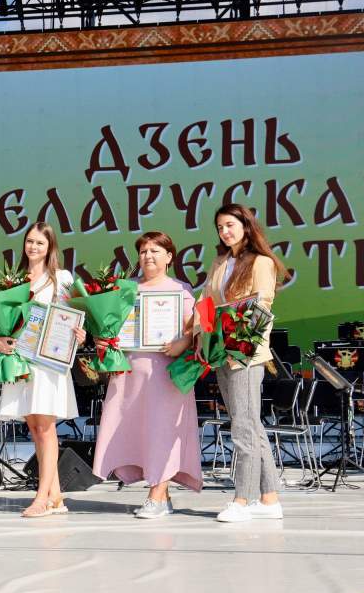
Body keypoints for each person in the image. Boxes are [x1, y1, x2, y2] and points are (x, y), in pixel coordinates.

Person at [91, 231, 202, 519]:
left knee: (162, 432)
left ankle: (156, 495)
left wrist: (184, 341)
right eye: (143, 251)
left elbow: (196, 331)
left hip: (165, 375)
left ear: (169, 257)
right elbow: (108, 328)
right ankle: (161, 496)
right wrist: (102, 339)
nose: (148, 256)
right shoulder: (125, 290)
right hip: (129, 375)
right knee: (139, 433)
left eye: (155, 251)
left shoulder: (181, 290)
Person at [0, 222, 85, 517]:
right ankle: (56, 497)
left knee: (45, 428)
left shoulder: (62, 278)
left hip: (48, 364)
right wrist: (0, 337)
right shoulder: (15, 279)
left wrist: (80, 333)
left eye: (40, 243)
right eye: (30, 242)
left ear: (50, 247)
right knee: (34, 427)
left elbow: (74, 318)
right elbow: (5, 320)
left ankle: (42, 498)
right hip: (21, 361)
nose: (33, 247)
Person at [203, 204, 287, 523]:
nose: (225, 231)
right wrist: (199, 330)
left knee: (243, 426)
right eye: (220, 227)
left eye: (230, 225)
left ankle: (243, 498)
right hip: (221, 350)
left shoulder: (261, 262)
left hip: (245, 350)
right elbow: (206, 301)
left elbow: (262, 303)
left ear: (246, 226)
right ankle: (270, 498)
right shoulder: (221, 261)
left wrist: (234, 330)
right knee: (250, 423)